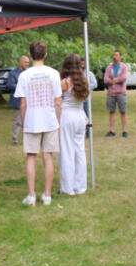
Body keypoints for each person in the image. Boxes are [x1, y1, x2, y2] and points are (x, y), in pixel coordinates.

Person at [14, 41, 62, 206]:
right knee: (48, 156)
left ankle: (32, 195)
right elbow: (58, 102)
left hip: (32, 121)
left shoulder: (25, 75)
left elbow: (22, 104)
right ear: (45, 54)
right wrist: (58, 122)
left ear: (31, 54)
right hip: (49, 120)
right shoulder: (54, 74)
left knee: (31, 157)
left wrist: (23, 122)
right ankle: (47, 195)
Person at [59, 54, 90, 196]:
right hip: (80, 116)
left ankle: (67, 187)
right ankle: (80, 186)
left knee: (66, 151)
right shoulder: (84, 81)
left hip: (67, 115)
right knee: (79, 151)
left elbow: (57, 101)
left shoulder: (65, 82)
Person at [103, 50, 129, 137]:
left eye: (116, 55)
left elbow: (124, 78)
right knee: (111, 111)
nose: (114, 57)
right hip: (111, 93)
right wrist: (113, 81)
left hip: (121, 93)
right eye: (114, 55)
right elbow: (106, 80)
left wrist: (114, 80)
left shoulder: (124, 67)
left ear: (120, 57)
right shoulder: (109, 67)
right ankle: (112, 131)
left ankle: (124, 131)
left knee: (123, 111)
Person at [6, 55, 29, 145]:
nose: (27, 64)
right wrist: (22, 88)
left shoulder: (29, 72)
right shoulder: (13, 73)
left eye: (28, 62)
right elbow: (10, 85)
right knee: (17, 120)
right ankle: (15, 139)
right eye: (25, 62)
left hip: (29, 100)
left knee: (29, 120)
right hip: (18, 101)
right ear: (20, 62)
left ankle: (27, 139)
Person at [80, 57, 97, 138]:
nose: (82, 65)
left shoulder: (89, 74)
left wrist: (86, 87)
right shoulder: (77, 74)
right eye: (81, 63)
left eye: (84, 63)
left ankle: (88, 133)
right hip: (78, 99)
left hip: (86, 99)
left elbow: (95, 84)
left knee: (87, 116)